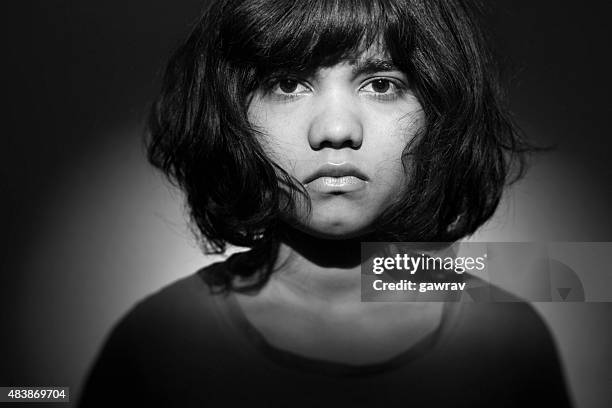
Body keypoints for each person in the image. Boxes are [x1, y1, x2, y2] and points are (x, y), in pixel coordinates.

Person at [79, 0, 572, 406]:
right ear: (231, 112)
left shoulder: (510, 340)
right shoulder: (158, 341)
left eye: (381, 85)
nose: (336, 130)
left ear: (441, 111)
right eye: (288, 83)